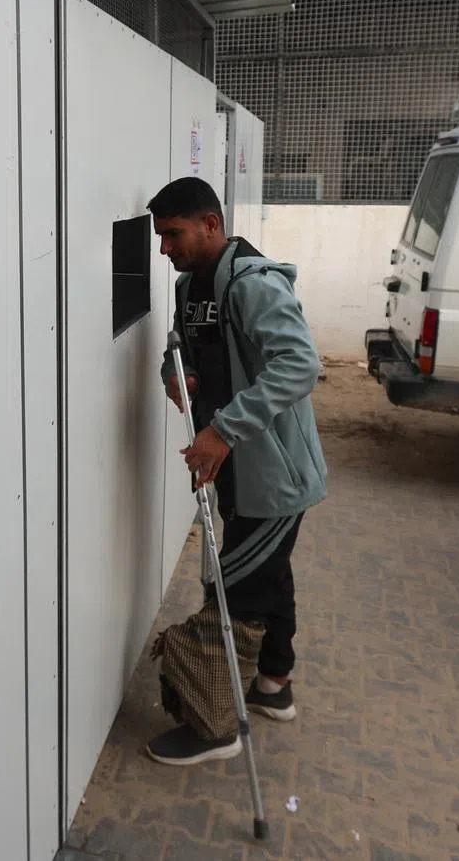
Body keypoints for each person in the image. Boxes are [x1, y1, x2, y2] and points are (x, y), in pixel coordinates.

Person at [145, 176, 328, 766]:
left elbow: (300, 364)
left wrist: (222, 429)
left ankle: (215, 725)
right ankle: (274, 685)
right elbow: (184, 345)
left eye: (173, 235)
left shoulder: (252, 284)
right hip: (236, 473)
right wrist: (176, 374)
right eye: (160, 237)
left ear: (211, 225)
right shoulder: (189, 285)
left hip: (272, 476)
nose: (164, 248)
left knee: (234, 591)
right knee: (267, 576)